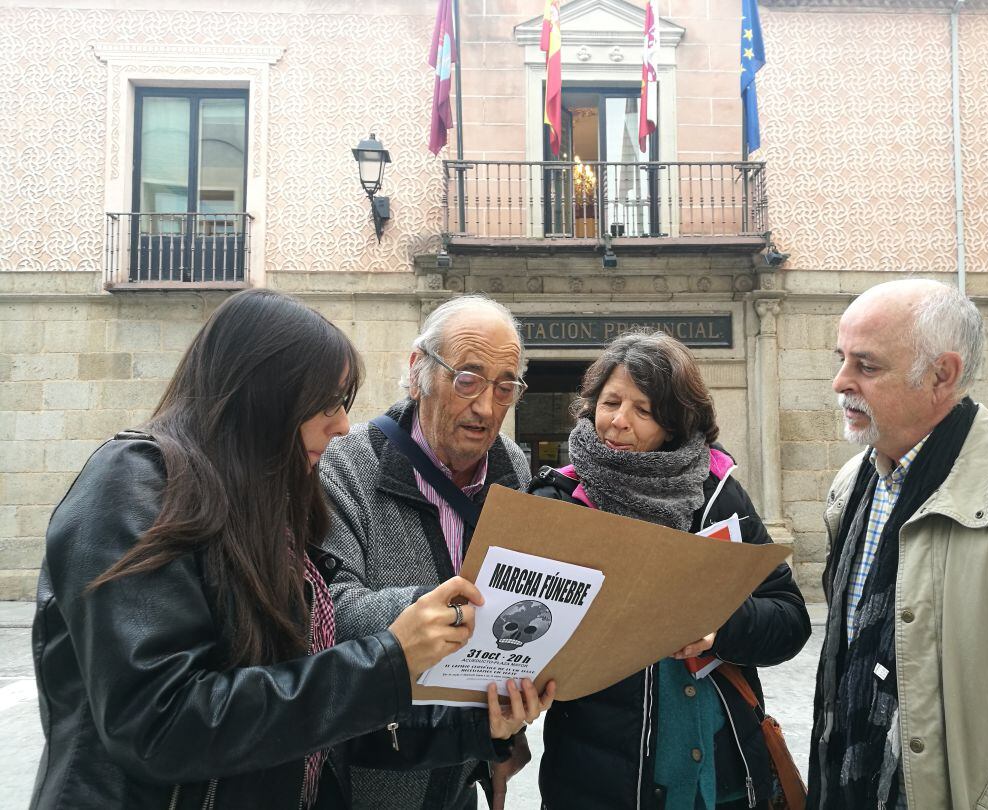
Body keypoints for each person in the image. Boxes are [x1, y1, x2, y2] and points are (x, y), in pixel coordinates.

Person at [30, 288, 539, 810]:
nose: (342, 424)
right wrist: (389, 658)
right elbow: (160, 723)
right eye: (326, 403)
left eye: (342, 404)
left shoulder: (265, 507)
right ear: (263, 394)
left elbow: (306, 719)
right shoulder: (136, 481)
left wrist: (475, 731)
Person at [808, 279, 988, 809]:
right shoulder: (851, 486)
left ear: (942, 375)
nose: (840, 381)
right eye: (841, 359)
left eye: (867, 366)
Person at [528, 330, 811, 810]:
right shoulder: (556, 500)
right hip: (602, 785)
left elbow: (789, 620)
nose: (618, 421)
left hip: (723, 782)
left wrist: (721, 627)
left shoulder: (719, 498)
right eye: (610, 402)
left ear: (675, 422)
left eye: (643, 410)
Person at [319, 294, 555, 810]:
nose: (487, 407)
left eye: (505, 386)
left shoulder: (513, 467)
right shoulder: (348, 462)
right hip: (372, 775)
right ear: (418, 370)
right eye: (467, 379)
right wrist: (440, 611)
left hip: (463, 770)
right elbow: (324, 609)